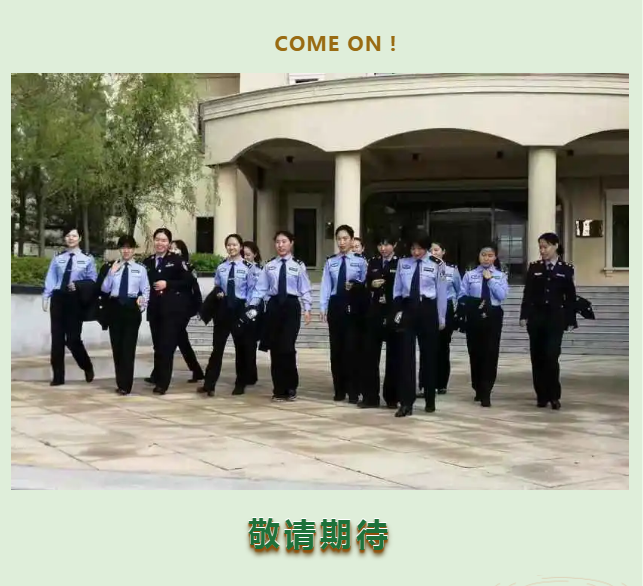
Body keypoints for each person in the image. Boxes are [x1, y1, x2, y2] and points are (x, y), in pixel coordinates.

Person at [248, 230, 312, 401]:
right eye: (277, 242)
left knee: (288, 347)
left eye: (284, 241)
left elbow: (305, 288)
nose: (280, 245)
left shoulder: (298, 265)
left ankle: (291, 386)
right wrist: (252, 306)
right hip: (274, 307)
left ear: (291, 243)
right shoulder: (269, 266)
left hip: (291, 306)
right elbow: (261, 288)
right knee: (275, 349)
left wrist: (307, 308)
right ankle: (278, 389)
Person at [519, 232, 577, 410]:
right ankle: (541, 395)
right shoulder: (534, 267)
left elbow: (570, 296)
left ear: (555, 246)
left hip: (555, 318)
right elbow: (528, 293)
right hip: (536, 318)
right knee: (537, 357)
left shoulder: (566, 268)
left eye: (545, 247)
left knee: (552, 356)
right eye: (540, 247)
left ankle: (554, 395)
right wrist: (524, 315)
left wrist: (571, 318)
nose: (542, 250)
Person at [392, 234, 447, 417]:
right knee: (406, 357)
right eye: (413, 248)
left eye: (419, 248)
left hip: (428, 309)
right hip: (408, 309)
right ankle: (406, 402)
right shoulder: (403, 263)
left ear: (426, 248)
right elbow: (397, 290)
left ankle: (430, 397)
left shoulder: (437, 264)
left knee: (429, 356)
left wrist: (441, 318)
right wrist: (398, 311)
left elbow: (441, 292)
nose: (416, 252)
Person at [198, 234, 256, 397]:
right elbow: (217, 285)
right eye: (229, 245)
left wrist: (248, 310)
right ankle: (209, 384)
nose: (232, 248)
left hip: (240, 309)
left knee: (241, 349)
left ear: (241, 247)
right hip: (223, 310)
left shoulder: (248, 267)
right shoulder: (221, 267)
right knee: (217, 349)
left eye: (235, 245)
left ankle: (240, 383)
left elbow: (252, 290)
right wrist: (218, 292)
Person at [42, 226, 97, 386]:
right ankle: (58, 377)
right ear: (64, 238)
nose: (70, 238)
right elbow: (51, 277)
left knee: (73, 339)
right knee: (57, 339)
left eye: (74, 236)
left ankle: (86, 365)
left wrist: (78, 285)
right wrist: (46, 296)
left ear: (80, 238)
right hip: (58, 298)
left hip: (75, 300)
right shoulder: (58, 257)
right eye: (68, 236)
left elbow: (92, 280)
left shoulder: (87, 258)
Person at [142, 227, 194, 395]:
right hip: (154, 310)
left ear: (169, 243)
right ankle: (157, 376)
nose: (160, 243)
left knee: (166, 347)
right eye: (158, 239)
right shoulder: (148, 262)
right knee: (158, 346)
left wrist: (168, 284)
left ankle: (162, 384)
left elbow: (188, 282)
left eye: (164, 240)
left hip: (172, 311)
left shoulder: (177, 260)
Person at [319, 225, 368, 403]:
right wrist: (323, 307)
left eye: (345, 238)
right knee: (337, 349)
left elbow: (366, 284)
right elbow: (326, 285)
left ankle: (354, 390)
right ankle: (339, 389)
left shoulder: (360, 261)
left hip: (353, 306)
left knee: (352, 349)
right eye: (339, 239)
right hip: (336, 305)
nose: (341, 242)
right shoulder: (331, 262)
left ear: (352, 240)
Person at [458, 244, 509, 407]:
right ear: (478, 256)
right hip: (475, 316)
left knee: (491, 353)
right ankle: (478, 387)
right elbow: (462, 296)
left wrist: (490, 280)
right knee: (475, 352)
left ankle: (487, 390)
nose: (486, 258)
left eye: (490, 255)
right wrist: (475, 303)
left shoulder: (500, 276)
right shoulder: (470, 275)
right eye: (483, 255)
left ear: (495, 257)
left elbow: (502, 295)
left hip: (493, 316)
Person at [101, 236, 150, 395]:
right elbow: (105, 289)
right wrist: (111, 273)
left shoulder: (140, 269)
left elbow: (145, 290)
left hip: (131, 308)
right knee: (117, 347)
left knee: (128, 348)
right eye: (123, 247)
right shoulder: (112, 266)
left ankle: (126, 385)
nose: (126, 251)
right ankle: (120, 382)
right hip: (115, 308)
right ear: (119, 249)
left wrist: (142, 306)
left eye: (129, 248)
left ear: (134, 250)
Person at [359, 235, 400, 409]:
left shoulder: (400, 263)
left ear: (394, 244)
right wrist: (372, 285)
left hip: (392, 312)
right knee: (369, 356)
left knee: (394, 357)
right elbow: (366, 283)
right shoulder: (373, 262)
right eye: (380, 245)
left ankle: (392, 397)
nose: (383, 248)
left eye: (387, 244)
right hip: (375, 312)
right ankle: (370, 397)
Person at [168, 239, 205, 384]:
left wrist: (199, 308)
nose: (173, 251)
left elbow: (195, 289)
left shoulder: (188, 267)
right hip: (171, 306)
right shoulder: (167, 266)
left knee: (172, 339)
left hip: (185, 308)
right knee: (181, 340)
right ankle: (197, 371)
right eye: (171, 248)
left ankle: (158, 373)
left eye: (176, 248)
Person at [429, 241, 461, 395]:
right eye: (431, 250)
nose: (433, 253)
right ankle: (426, 384)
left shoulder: (451, 270)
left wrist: (457, 311)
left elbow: (460, 291)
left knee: (443, 347)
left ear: (443, 251)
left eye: (436, 250)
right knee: (428, 347)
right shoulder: (424, 268)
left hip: (446, 308)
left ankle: (441, 383)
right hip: (429, 307)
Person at [243, 240, 264, 386]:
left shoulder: (261, 270)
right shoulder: (238, 267)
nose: (245, 257)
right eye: (243, 254)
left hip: (254, 308)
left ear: (255, 254)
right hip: (241, 307)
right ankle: (245, 373)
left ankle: (251, 375)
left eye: (248, 255)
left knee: (250, 341)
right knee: (244, 342)